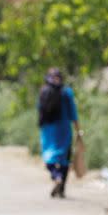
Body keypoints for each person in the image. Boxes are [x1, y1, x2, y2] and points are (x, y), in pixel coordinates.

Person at [38, 67, 83, 198]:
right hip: (64, 130)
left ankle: (56, 176)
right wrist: (78, 129)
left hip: (48, 131)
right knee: (64, 160)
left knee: (48, 157)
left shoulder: (43, 91)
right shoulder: (67, 92)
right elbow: (73, 113)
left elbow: (40, 111)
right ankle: (62, 187)